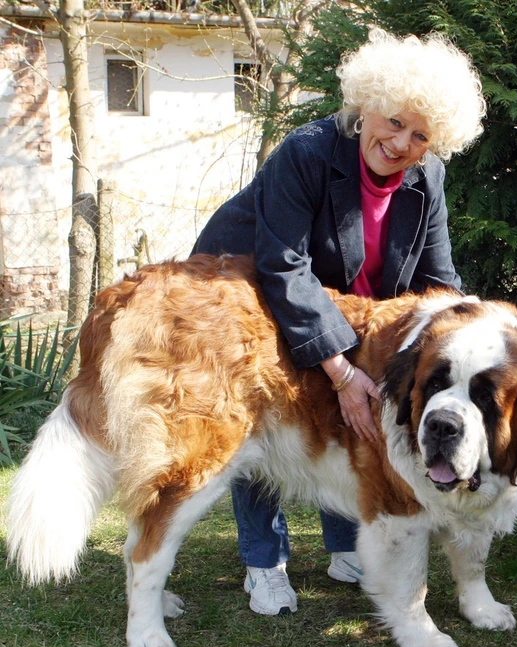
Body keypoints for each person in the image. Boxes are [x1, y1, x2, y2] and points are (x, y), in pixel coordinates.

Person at [191, 28, 486, 616]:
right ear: (367, 104)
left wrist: (469, 331)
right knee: (261, 420)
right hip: (252, 292)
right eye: (395, 122)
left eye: (421, 134)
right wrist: (342, 370)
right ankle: (263, 561)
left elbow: (438, 277)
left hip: (346, 305)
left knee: (351, 416)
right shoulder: (306, 152)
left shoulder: (428, 180)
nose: (401, 142)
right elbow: (283, 267)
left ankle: (341, 547)